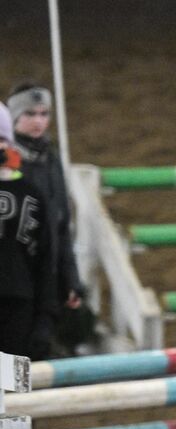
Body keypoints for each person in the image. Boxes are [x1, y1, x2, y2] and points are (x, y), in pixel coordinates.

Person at [7, 82, 84, 343]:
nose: (38, 121)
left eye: (44, 114)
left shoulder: (52, 160)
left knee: (24, 362)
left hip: (39, 283)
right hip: (17, 281)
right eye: (30, 114)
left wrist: (71, 279)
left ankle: (23, 382)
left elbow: (61, 226)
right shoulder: (9, 167)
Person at [0, 105, 59, 359]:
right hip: (18, 302)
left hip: (18, 309)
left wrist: (45, 321)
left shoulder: (32, 194)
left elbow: (46, 260)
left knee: (15, 391)